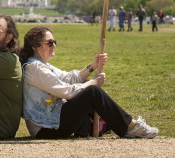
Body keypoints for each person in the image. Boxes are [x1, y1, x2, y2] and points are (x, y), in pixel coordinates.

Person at [20, 25, 158, 139]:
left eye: (55, 42)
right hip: (46, 129)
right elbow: (67, 92)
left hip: (52, 123)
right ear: (35, 47)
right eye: (49, 42)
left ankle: (117, 125)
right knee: (92, 91)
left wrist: (92, 66)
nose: (54, 45)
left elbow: (69, 78)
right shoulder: (35, 68)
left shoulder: (41, 65)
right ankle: (130, 127)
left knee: (88, 87)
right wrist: (93, 83)